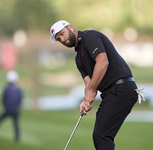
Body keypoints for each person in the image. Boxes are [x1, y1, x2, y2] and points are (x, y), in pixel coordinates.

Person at [50, 20, 145, 150]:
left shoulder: (90, 36)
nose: (62, 39)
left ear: (70, 27)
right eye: (59, 39)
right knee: (100, 135)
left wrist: (91, 90)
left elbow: (103, 62)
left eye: (62, 34)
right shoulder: (78, 59)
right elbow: (89, 85)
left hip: (121, 88)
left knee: (102, 136)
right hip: (111, 93)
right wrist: (86, 100)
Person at [0, 70, 22, 142]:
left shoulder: (7, 88)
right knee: (16, 124)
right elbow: (20, 99)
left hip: (7, 109)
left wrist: (4, 106)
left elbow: (4, 98)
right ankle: (17, 138)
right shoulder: (18, 89)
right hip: (15, 110)